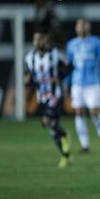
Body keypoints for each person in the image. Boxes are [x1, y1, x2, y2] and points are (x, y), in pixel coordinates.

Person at [24, 30, 72, 168]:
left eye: (41, 39)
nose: (38, 42)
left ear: (46, 40)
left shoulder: (56, 55)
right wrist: (27, 80)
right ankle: (65, 150)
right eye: (36, 39)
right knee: (52, 128)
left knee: (46, 120)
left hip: (56, 94)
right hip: (42, 97)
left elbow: (69, 67)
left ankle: (66, 154)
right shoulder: (29, 58)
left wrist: (59, 77)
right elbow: (28, 76)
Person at [66, 19, 100, 153]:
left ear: (88, 27)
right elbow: (69, 66)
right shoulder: (71, 44)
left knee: (94, 111)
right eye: (79, 25)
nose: (81, 27)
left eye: (84, 24)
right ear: (76, 28)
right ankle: (85, 144)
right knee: (79, 112)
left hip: (93, 82)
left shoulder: (97, 42)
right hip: (77, 83)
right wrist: (65, 83)